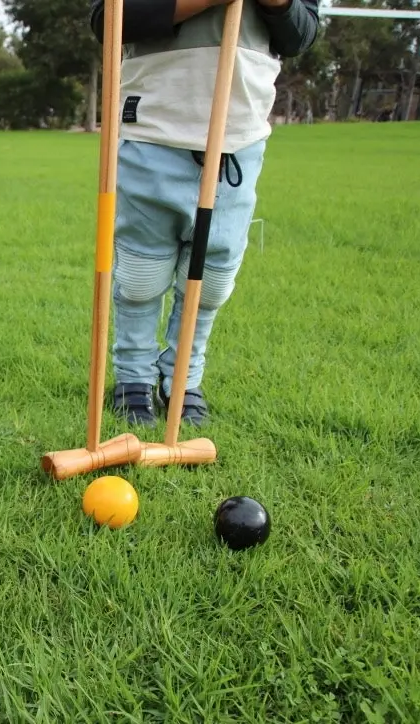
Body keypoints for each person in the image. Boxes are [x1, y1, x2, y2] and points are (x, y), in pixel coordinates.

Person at [90, 0, 319, 426]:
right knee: (140, 276)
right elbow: (110, 20)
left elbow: (301, 34)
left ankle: (181, 378)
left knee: (212, 280)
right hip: (152, 129)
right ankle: (133, 379)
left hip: (238, 139)